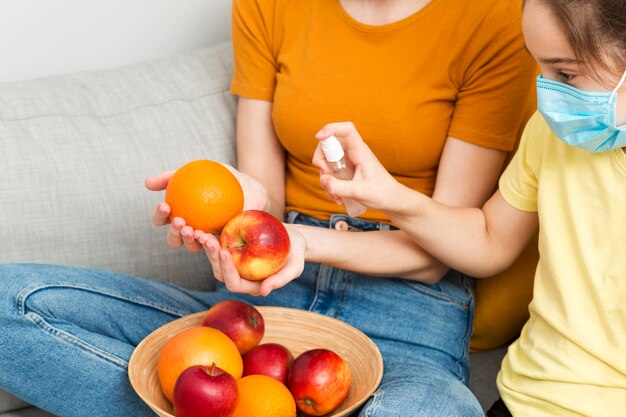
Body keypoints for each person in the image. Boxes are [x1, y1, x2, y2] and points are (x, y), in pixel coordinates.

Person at [0, 0, 536, 416]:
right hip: (260, 313)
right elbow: (265, 203)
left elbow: (438, 252)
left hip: (408, 313)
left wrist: (303, 244)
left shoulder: (497, 20)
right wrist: (240, 202)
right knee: (7, 304)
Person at [293, 0, 626, 415]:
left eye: (566, 74)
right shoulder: (549, 134)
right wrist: (388, 195)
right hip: (524, 401)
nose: (547, 95)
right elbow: (488, 240)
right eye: (540, 70)